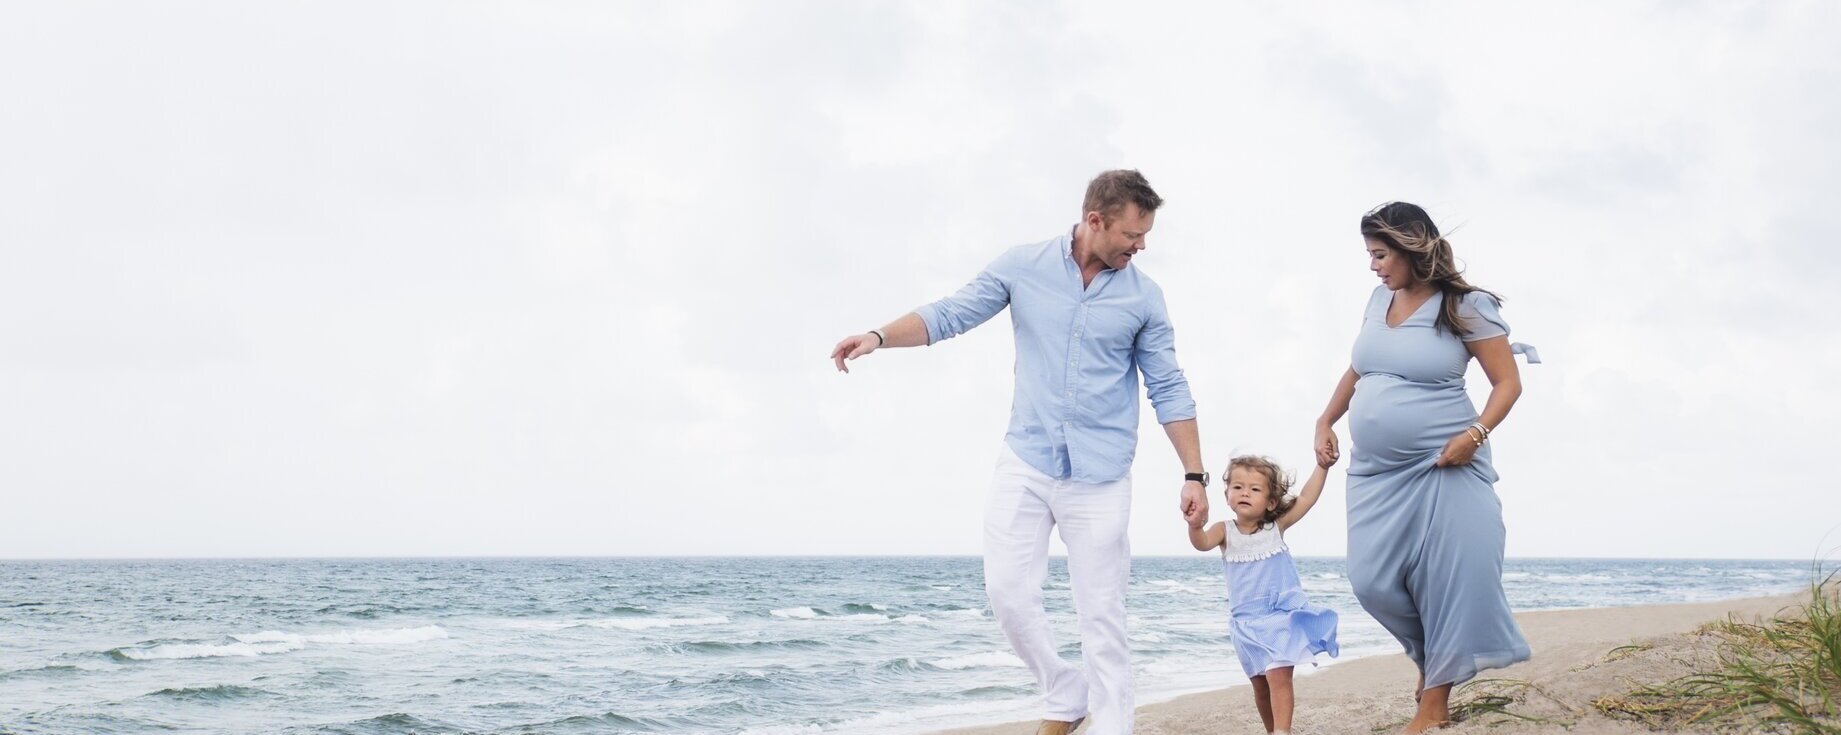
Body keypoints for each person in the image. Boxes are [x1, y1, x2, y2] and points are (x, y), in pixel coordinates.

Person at [830, 170, 1208, 735]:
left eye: (1146, 234)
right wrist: (879, 337)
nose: (1142, 245)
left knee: (1102, 617)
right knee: (1006, 592)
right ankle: (1063, 690)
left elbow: (1168, 384)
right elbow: (950, 313)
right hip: (1027, 459)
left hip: (1101, 476)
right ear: (1095, 220)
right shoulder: (1023, 266)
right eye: (1133, 233)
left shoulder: (1144, 297)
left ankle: (1112, 726)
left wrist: (1194, 473)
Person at [1314, 202, 1540, 733]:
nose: (1373, 266)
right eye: (1370, 255)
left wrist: (1473, 436)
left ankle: (1434, 698)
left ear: (1412, 248)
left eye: (1380, 254)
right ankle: (1432, 658)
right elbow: (1360, 366)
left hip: (1446, 466)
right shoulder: (1378, 299)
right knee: (1371, 581)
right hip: (1377, 473)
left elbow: (1508, 384)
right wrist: (1325, 418)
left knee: (1450, 580)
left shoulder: (1465, 306)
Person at [1188, 455, 1340, 735]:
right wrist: (1195, 525)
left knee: (1278, 676)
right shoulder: (1225, 531)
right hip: (1245, 625)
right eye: (1238, 487)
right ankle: (1273, 730)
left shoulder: (1275, 527)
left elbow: (1306, 498)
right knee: (1260, 686)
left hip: (1279, 618)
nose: (1245, 492)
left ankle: (1283, 731)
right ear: (1227, 495)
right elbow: (1202, 543)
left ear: (1270, 502)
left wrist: (1322, 466)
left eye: (1255, 489)